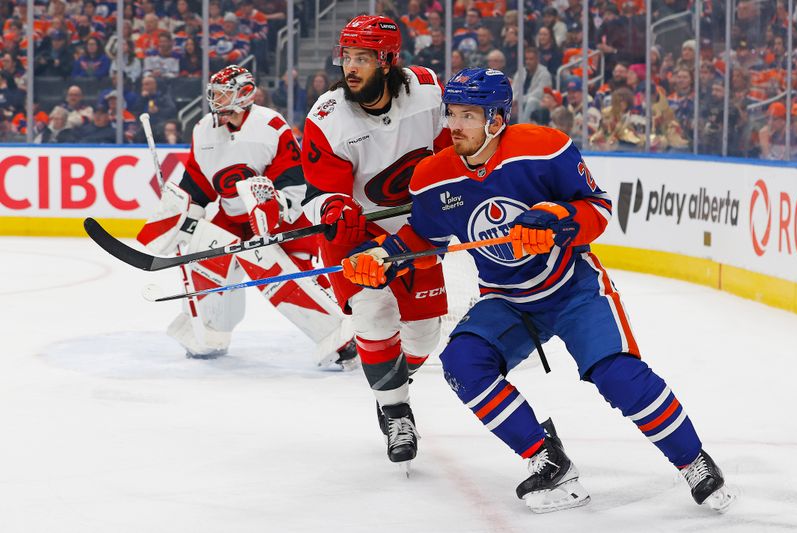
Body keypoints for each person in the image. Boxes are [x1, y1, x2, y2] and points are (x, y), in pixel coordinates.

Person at [340, 67, 735, 513]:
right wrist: (382, 258)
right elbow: (424, 239)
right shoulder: (432, 176)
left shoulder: (544, 149)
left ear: (497, 119)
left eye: (468, 115)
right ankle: (547, 459)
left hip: (572, 288)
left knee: (617, 375)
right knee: (463, 364)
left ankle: (694, 462)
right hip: (506, 299)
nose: (453, 125)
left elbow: (598, 209)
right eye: (451, 113)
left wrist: (558, 218)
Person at [300, 15, 452, 467]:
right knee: (374, 311)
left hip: (418, 228)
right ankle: (395, 411)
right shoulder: (328, 116)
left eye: (362, 58)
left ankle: (389, 382)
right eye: (347, 56)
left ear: (387, 61)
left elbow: (450, 157)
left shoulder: (427, 92)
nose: (350, 67)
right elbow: (319, 193)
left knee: (424, 334)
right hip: (358, 231)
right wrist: (332, 208)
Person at [136, 65, 356, 368]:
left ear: (244, 93)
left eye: (223, 92)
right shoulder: (203, 129)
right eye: (214, 93)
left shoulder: (271, 126)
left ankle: (342, 335)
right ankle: (208, 333)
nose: (216, 99)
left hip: (281, 215)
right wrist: (182, 210)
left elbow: (292, 182)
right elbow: (199, 182)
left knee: (288, 275)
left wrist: (272, 210)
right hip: (231, 216)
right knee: (204, 254)